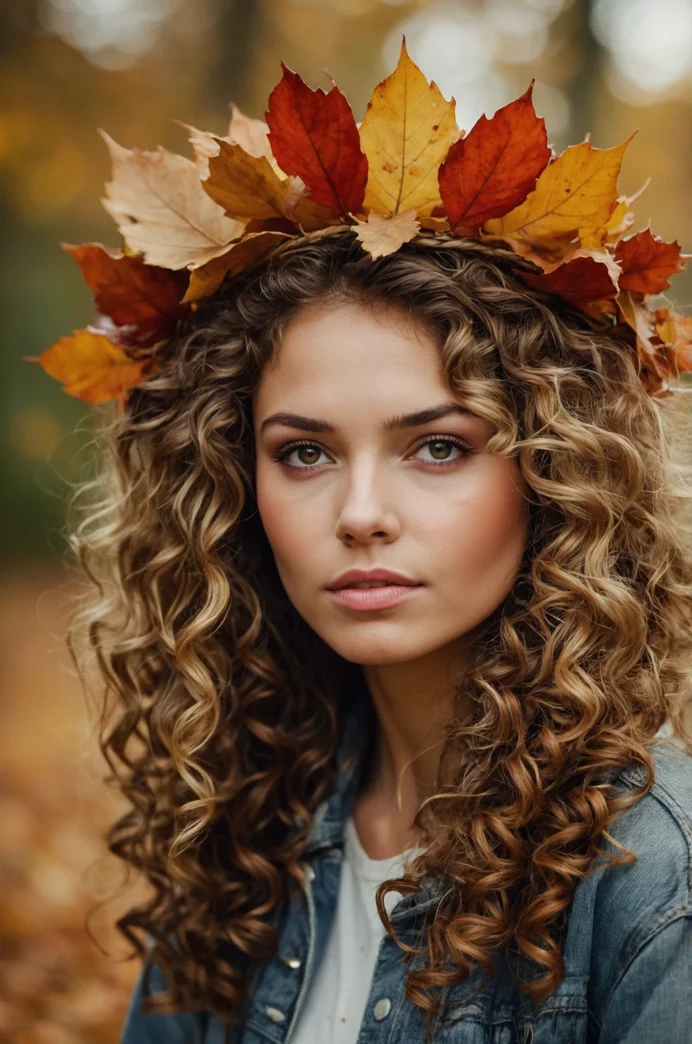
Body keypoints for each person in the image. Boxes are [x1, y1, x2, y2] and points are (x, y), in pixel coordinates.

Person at [37, 42, 692, 1044]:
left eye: (435, 446)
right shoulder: (244, 827)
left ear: (553, 473)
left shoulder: (650, 875)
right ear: (230, 484)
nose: (359, 512)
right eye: (303, 454)